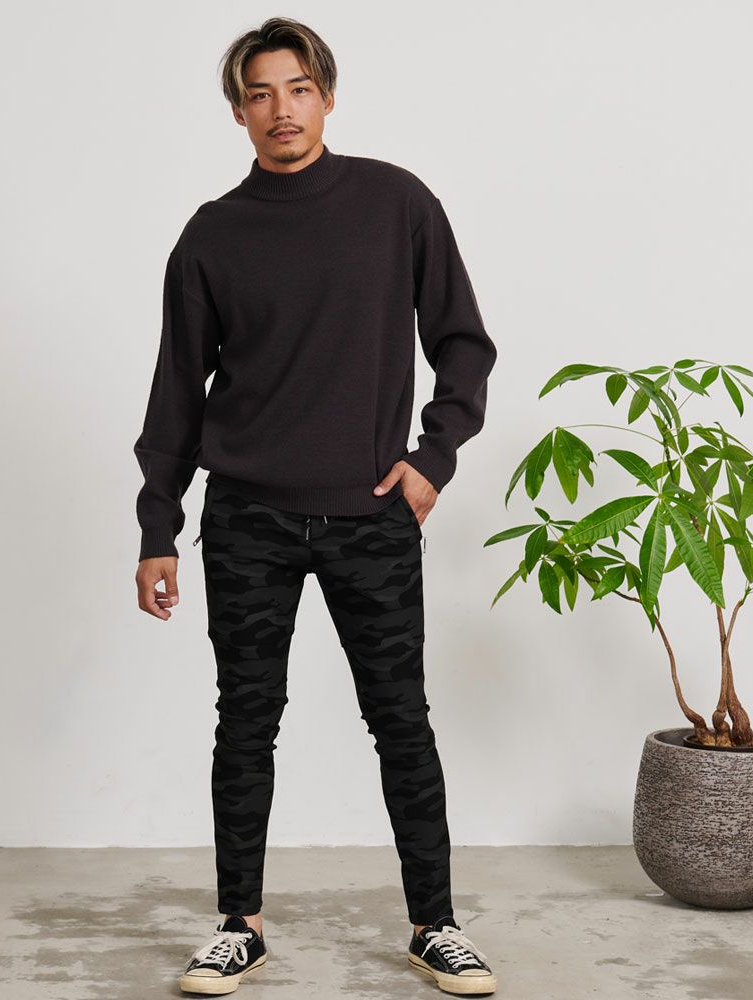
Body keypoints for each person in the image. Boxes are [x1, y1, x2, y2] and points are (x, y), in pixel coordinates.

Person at [133, 16, 498, 996]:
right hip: (246, 520)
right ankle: (238, 926)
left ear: (327, 97)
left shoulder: (395, 204)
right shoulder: (211, 235)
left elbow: (463, 343)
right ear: (238, 113)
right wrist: (159, 525)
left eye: (297, 89)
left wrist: (431, 459)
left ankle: (435, 924)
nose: (280, 109)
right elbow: (176, 394)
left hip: (370, 516)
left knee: (401, 720)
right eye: (259, 94)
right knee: (246, 721)